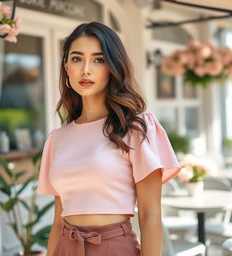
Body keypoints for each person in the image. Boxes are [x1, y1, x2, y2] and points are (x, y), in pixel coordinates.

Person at [36, 21, 181, 256]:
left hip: (114, 248)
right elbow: (58, 222)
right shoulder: (57, 139)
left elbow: (150, 216)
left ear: (113, 66)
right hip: (65, 246)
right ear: (66, 67)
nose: (86, 69)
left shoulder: (136, 129)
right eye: (76, 58)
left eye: (98, 59)